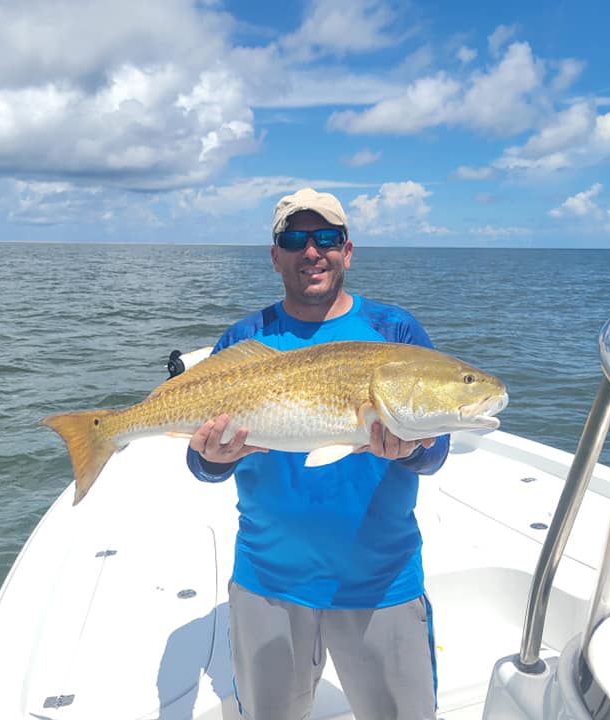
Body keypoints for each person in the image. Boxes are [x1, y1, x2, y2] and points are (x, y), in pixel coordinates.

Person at [186, 188, 450, 720]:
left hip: (382, 579)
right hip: (268, 580)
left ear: (347, 251)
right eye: (295, 239)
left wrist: (411, 450)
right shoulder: (244, 338)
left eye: (326, 238)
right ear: (275, 255)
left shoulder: (394, 333)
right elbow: (202, 463)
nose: (312, 251)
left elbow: (435, 448)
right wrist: (214, 458)